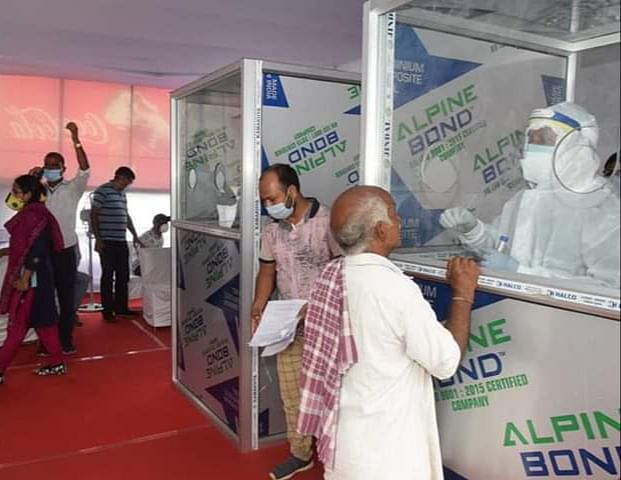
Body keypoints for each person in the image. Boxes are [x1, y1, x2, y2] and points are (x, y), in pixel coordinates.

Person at [297, 186, 480, 479]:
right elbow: (445, 362)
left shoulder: (330, 276)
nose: (399, 220)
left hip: (343, 445)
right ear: (381, 230)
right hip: (386, 456)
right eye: (394, 213)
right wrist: (463, 294)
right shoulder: (392, 288)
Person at [440, 102, 620, 288]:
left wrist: (522, 273)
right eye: (530, 139)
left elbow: (608, 286)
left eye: (543, 139)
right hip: (513, 307)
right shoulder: (525, 199)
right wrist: (473, 230)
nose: (532, 148)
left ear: (575, 145)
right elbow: (499, 249)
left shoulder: (602, 207)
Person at [251, 164, 341, 480]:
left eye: (271, 198)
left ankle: (338, 456)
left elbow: (345, 274)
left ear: (292, 191)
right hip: (288, 326)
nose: (267, 206)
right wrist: (258, 305)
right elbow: (267, 272)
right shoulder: (272, 231)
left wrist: (315, 305)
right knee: (292, 394)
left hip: (328, 326)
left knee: (334, 394)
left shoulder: (329, 222)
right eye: (263, 201)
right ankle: (300, 454)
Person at [29, 122, 90, 354]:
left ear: (63, 169)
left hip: (65, 250)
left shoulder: (73, 188)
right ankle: (45, 342)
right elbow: (20, 204)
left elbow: (84, 168)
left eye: (55, 165)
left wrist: (75, 137)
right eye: (47, 165)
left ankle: (65, 340)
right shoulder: (38, 190)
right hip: (42, 252)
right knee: (43, 298)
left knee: (65, 298)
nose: (51, 168)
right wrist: (31, 178)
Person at [0, 175, 67, 385]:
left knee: (17, 326)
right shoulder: (32, 213)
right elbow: (26, 245)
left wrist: (25, 277)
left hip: (31, 279)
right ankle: (57, 363)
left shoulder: (33, 216)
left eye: (17, 191)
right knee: (44, 323)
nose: (14, 195)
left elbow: (36, 249)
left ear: (28, 194)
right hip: (38, 276)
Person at [90, 167, 144, 322]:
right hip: (106, 241)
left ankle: (121, 307)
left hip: (120, 240)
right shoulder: (102, 191)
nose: (127, 185)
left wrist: (134, 235)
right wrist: (98, 239)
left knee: (123, 275)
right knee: (108, 276)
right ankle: (107, 310)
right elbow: (94, 214)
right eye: (127, 181)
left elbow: (126, 216)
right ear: (120, 177)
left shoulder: (122, 194)